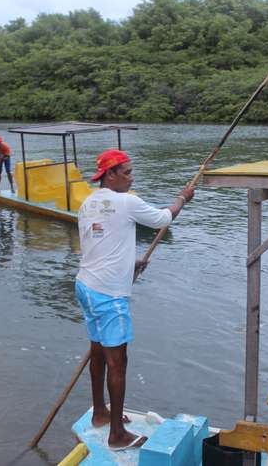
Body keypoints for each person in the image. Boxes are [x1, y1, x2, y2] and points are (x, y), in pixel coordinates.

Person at [75, 149, 194, 450]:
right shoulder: (126, 202)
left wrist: (130, 268)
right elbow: (164, 218)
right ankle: (117, 435)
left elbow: (101, 244)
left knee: (98, 351)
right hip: (108, 295)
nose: (132, 177)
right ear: (110, 175)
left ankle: (101, 413)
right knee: (118, 362)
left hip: (86, 286)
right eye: (127, 172)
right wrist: (183, 197)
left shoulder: (88, 203)